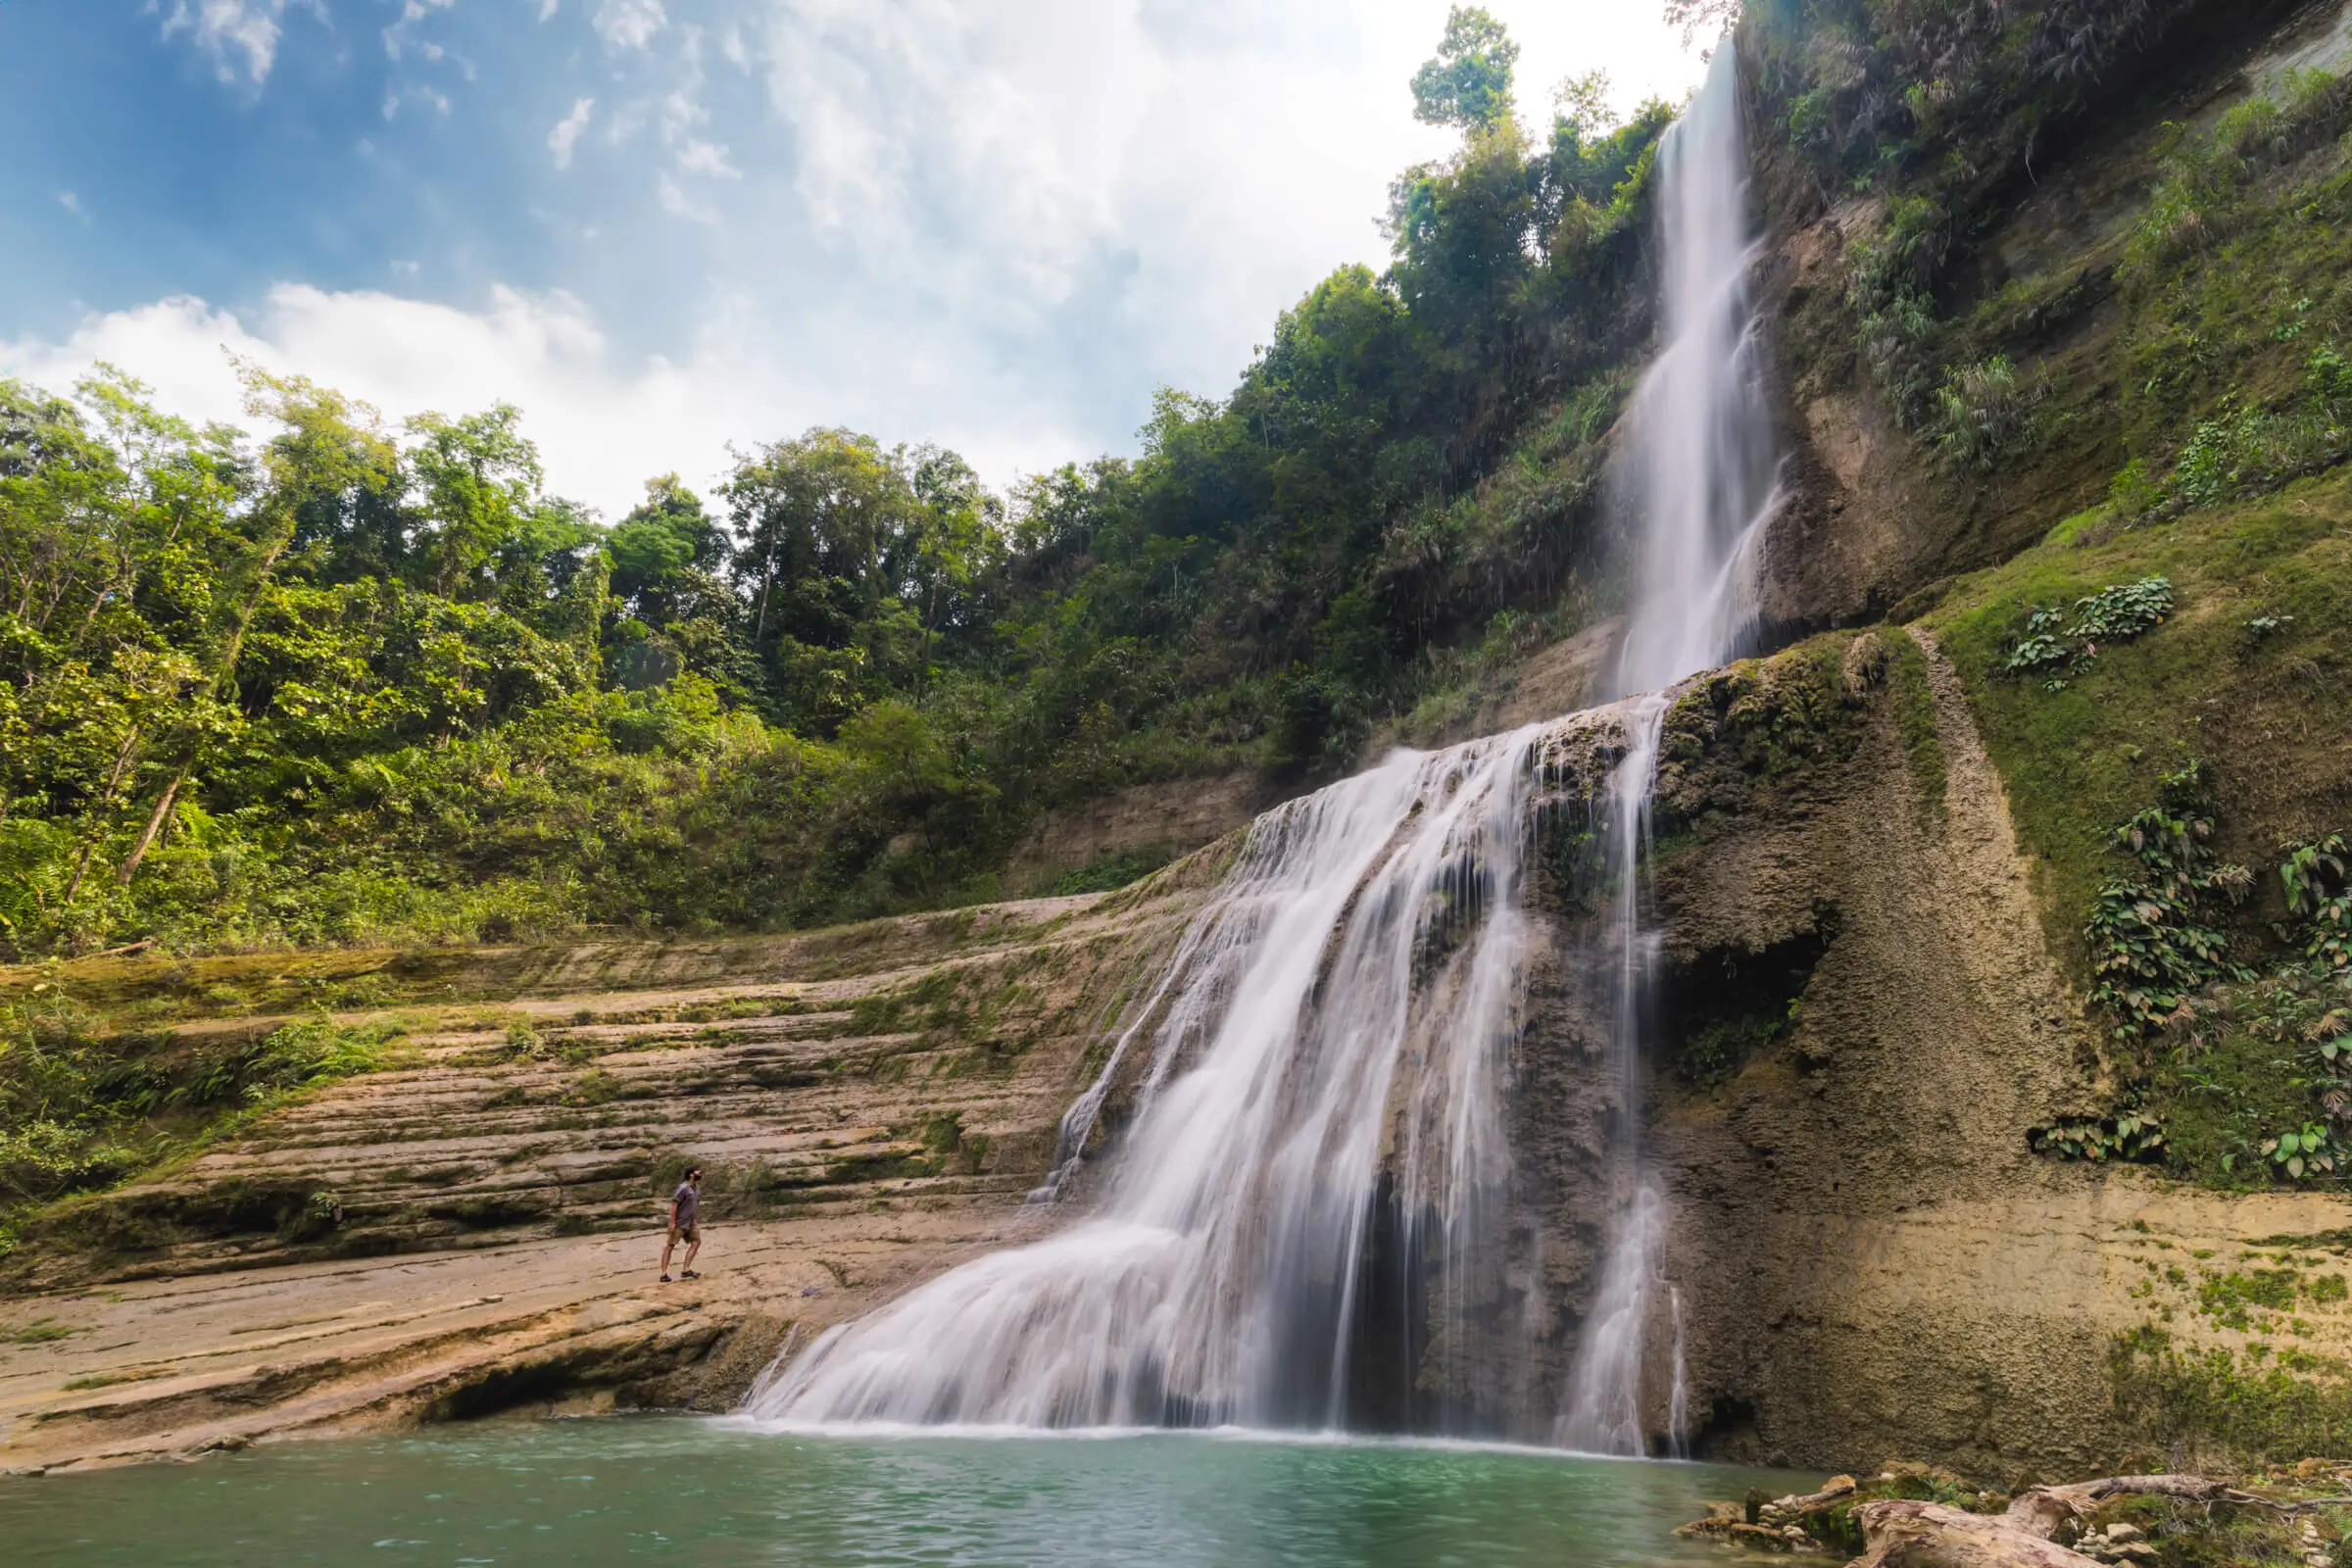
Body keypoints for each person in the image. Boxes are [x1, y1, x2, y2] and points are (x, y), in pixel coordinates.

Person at [660, 1166, 704, 1282]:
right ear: (691, 1174)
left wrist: (695, 1220)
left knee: (696, 1242)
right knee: (670, 1246)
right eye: (697, 1171)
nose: (700, 1173)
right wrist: (672, 1222)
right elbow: (674, 1204)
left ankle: (686, 1270)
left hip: (691, 1223)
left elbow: (695, 1206)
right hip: (679, 1222)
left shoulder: (697, 1189)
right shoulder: (683, 1188)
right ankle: (664, 1274)